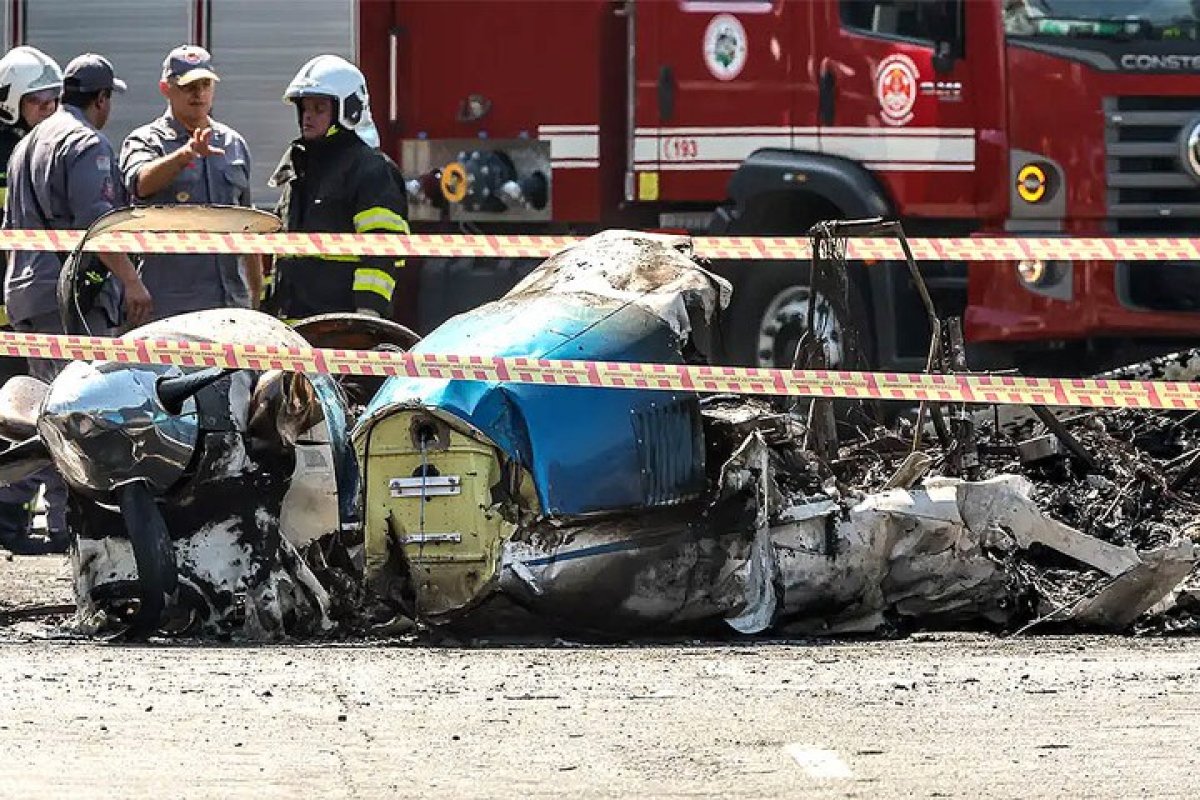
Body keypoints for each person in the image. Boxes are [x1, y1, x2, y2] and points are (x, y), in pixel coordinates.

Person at [0, 53, 152, 553]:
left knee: (42, 411)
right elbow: (97, 224)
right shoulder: (86, 143)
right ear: (101, 99)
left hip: (25, 291)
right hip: (70, 300)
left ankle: (12, 516)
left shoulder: (28, 143)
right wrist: (131, 282)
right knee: (82, 413)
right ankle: (74, 528)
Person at [120, 45, 262, 319]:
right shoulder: (146, 141)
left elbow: (248, 225)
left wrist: (255, 295)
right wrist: (186, 154)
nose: (198, 94)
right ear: (165, 88)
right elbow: (140, 184)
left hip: (230, 303)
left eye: (205, 84)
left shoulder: (233, 144)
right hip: (170, 308)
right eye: (188, 86)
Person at [268, 54, 409, 321]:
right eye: (305, 109)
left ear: (349, 110)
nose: (308, 117)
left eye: (319, 109)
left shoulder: (370, 170)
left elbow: (383, 248)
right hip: (291, 326)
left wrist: (367, 312)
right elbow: (281, 248)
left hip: (341, 328)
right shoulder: (299, 167)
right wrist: (267, 304)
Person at [0, 45, 61, 554]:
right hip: (12, 304)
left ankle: (15, 523)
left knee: (25, 409)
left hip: (17, 307)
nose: (48, 110)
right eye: (38, 101)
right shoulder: (9, 154)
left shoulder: (29, 151)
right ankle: (8, 522)